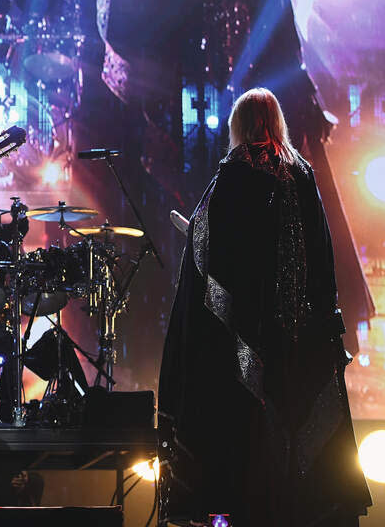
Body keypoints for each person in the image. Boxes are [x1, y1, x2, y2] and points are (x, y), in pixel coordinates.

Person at [157, 88, 372, 526]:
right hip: (302, 345)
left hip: (243, 347)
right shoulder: (304, 174)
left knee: (247, 456)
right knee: (301, 456)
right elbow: (322, 257)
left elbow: (208, 255)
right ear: (277, 123)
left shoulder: (230, 176)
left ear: (238, 125)